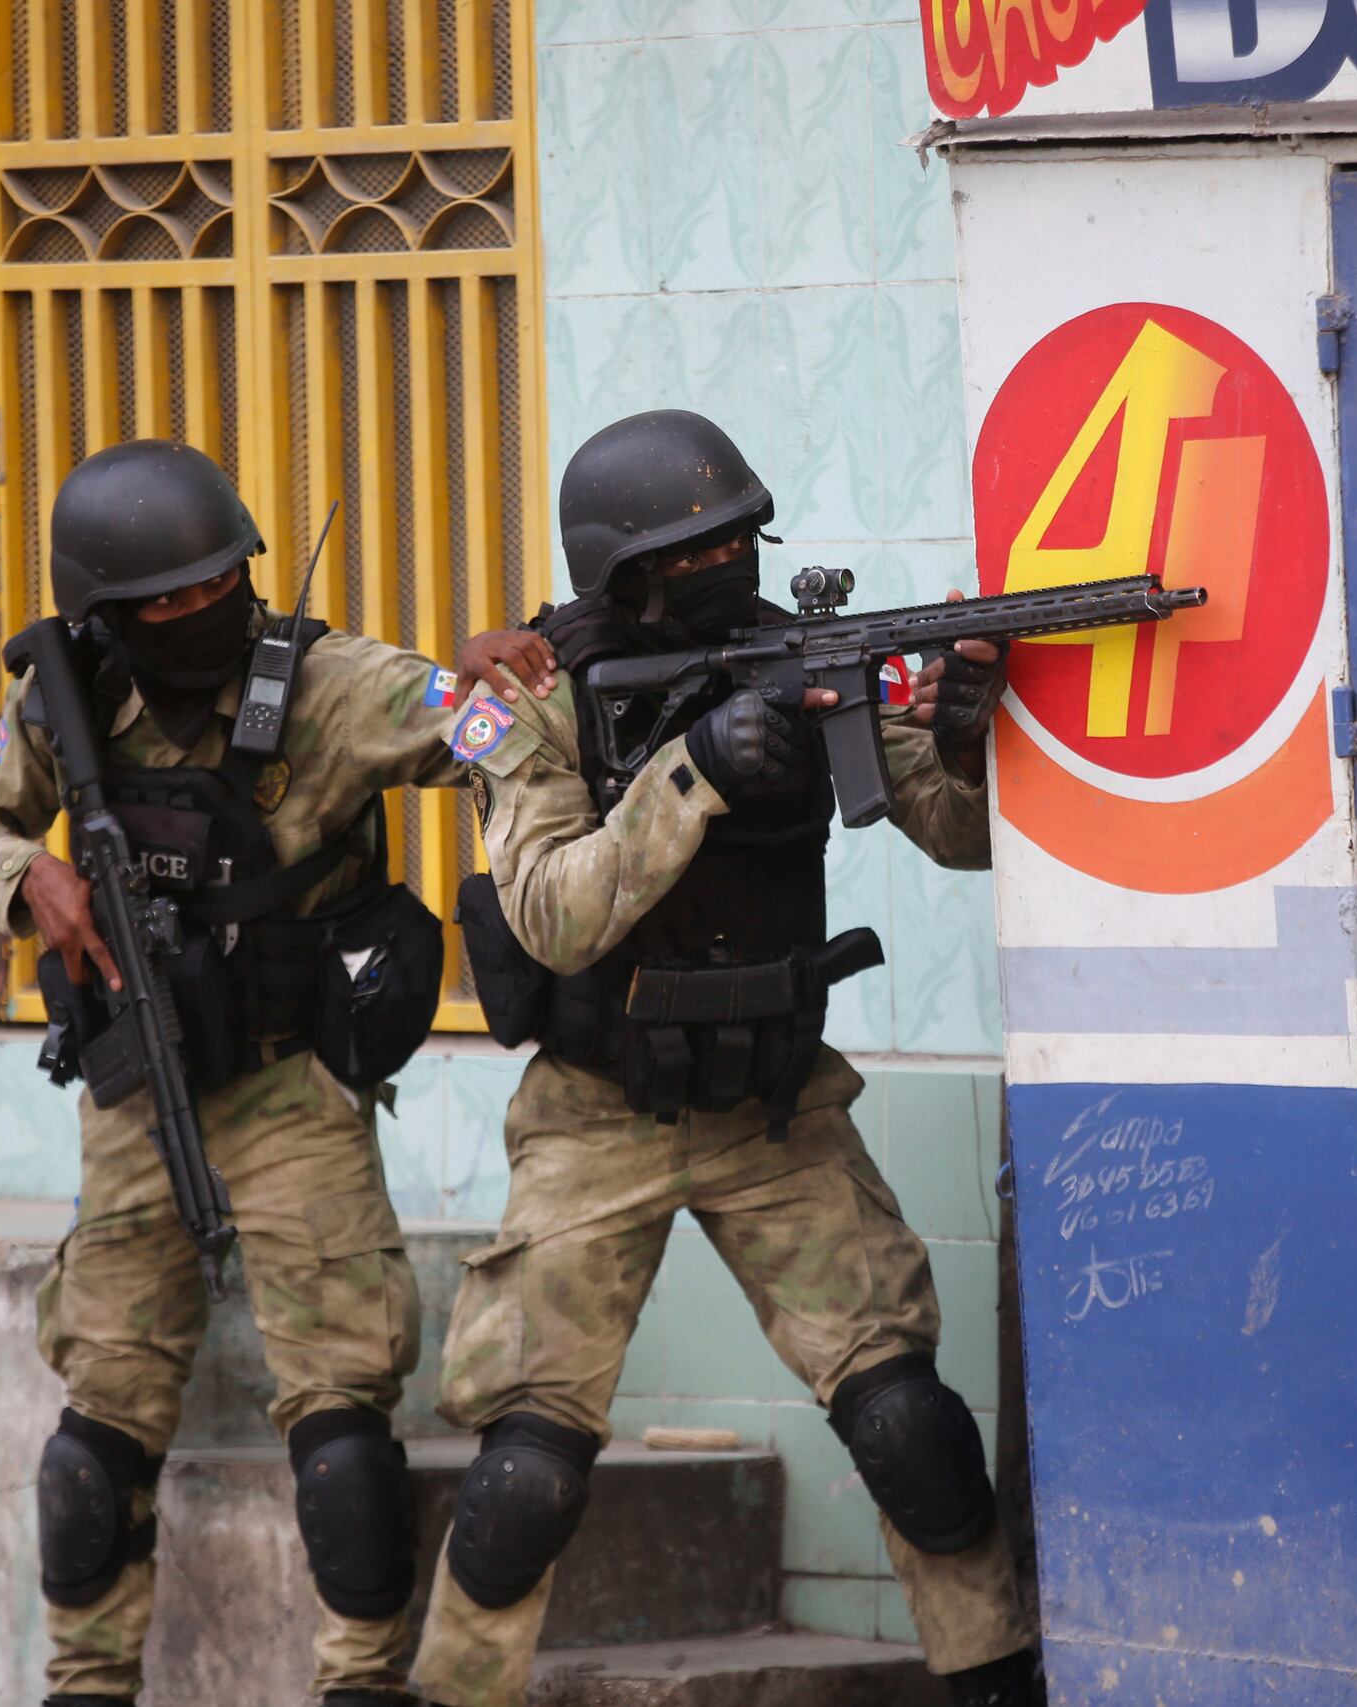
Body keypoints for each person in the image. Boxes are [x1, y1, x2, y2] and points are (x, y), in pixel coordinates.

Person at [410, 410, 1043, 1707]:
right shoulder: (524, 698)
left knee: (912, 1427)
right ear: (621, 572)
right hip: (596, 1114)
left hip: (779, 1106)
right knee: (524, 1477)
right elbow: (550, 911)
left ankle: (996, 1675)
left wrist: (972, 738)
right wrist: (690, 771)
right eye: (689, 550)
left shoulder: (803, 657)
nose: (724, 564)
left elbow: (956, 832)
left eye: (738, 536)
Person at [0, 439, 555, 1707]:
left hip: (288, 1092)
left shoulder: (327, 684)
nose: (190, 614)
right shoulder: (67, 700)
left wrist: (506, 670)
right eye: (157, 602)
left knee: (340, 1438)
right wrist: (24, 874)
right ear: (104, 612)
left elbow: (491, 732)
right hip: (132, 1088)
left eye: (211, 585)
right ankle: (85, 1683)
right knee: (96, 1432)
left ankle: (360, 1684)